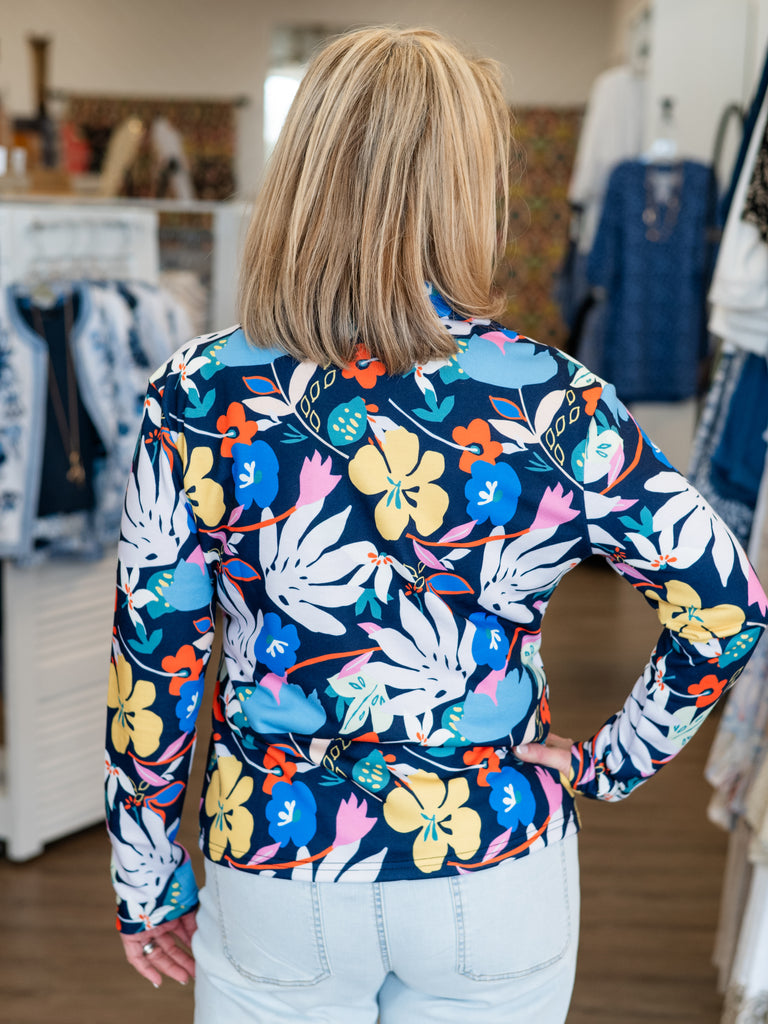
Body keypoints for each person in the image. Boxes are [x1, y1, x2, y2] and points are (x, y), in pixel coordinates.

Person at [106, 25, 768, 1024]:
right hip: (492, 861)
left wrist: (147, 874)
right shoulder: (554, 401)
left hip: (276, 863)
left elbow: (155, 657)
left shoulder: (198, 391)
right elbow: (726, 607)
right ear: (469, 189)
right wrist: (612, 761)